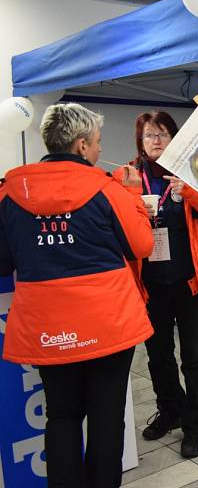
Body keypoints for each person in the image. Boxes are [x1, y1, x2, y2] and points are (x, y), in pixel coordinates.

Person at [0, 103, 154, 487]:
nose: (101, 150)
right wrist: (134, 195)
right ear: (82, 145)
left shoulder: (10, 192)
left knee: (62, 415)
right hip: (108, 322)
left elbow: (3, 262)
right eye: (99, 143)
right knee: (106, 415)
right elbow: (141, 245)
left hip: (46, 324)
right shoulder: (107, 189)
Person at [122, 110, 198, 459]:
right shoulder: (126, 176)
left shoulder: (194, 172)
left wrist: (192, 195)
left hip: (192, 283)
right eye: (149, 135)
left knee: (195, 358)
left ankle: (195, 424)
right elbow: (118, 228)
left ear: (175, 138)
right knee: (158, 357)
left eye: (163, 134)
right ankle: (170, 411)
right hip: (150, 286)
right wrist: (132, 203)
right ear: (140, 142)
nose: (156, 141)